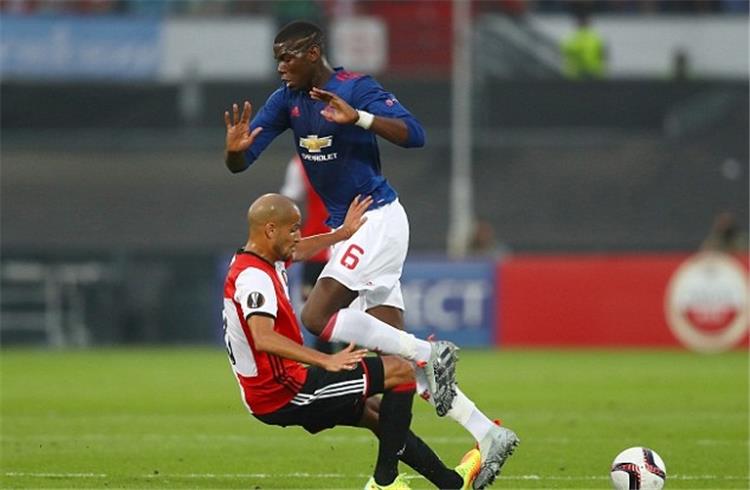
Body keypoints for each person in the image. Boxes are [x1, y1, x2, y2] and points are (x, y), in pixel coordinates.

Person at [223, 20, 519, 488]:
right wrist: (234, 153)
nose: (280, 67)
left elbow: (414, 134)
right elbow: (243, 161)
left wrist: (358, 118)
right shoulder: (286, 101)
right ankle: (482, 434)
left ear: (313, 52)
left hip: (377, 218)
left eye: (288, 57)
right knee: (395, 364)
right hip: (349, 229)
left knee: (317, 316)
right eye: (277, 59)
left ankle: (429, 353)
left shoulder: (355, 88)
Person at [222, 193, 482, 489]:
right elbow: (263, 337)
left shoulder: (255, 258)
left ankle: (450, 484)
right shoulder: (254, 277)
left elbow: (300, 250)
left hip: (272, 390)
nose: (298, 236)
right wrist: (326, 359)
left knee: (376, 413)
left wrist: (343, 233)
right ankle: (385, 482)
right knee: (401, 371)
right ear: (270, 230)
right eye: (293, 229)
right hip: (285, 390)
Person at [279, 154, 339, 354]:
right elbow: (288, 202)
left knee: (349, 305)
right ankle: (326, 361)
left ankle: (352, 360)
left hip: (347, 246)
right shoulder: (300, 163)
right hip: (316, 248)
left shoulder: (351, 155)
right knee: (314, 309)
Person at [561, 10, 607, 79]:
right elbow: (603, 55)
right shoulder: (597, 39)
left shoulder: (570, 40)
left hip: (577, 74)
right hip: (592, 73)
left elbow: (566, 55)